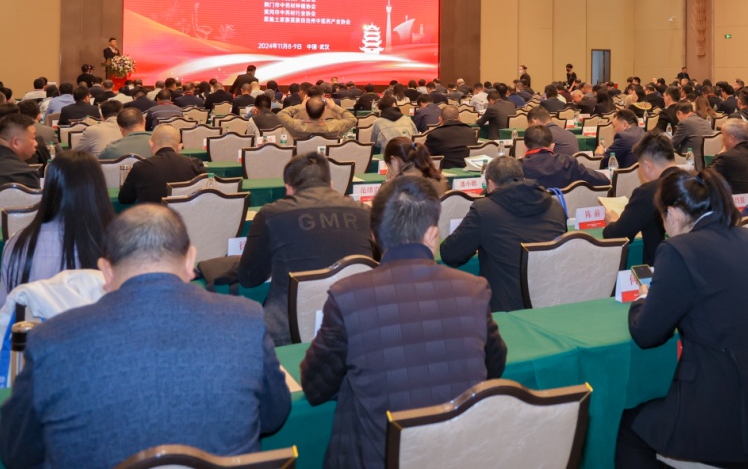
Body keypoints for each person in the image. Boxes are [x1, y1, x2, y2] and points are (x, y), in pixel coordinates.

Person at [0, 204, 290, 468]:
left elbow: (17, 451)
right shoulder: (246, 319)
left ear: (105, 271)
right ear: (190, 260)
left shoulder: (52, 339)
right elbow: (273, 415)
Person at [302, 175, 507, 469]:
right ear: (433, 235)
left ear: (373, 236)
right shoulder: (473, 289)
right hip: (457, 456)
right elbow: (493, 366)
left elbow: (315, 387)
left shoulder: (348, 295)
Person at [616, 168, 748, 469]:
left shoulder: (678, 250)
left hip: (729, 420)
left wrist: (641, 300)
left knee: (625, 426)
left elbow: (646, 333)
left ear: (673, 213)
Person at [238, 154, 374, 344]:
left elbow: (248, 278)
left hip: (286, 331)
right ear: (331, 185)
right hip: (355, 322)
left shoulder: (272, 214)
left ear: (288, 189)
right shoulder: (365, 213)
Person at [440, 155, 567, 311]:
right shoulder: (555, 206)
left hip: (504, 309)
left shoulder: (484, 210)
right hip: (551, 303)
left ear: (490, 184)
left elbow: (450, 254)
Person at [0, 150, 115, 308]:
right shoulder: (120, 245)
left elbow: (5, 309)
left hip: (35, 324)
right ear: (99, 190)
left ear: (49, 189)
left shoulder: (17, 244)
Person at [604, 132, 675, 265]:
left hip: (660, 267)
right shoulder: (696, 181)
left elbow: (617, 236)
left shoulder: (648, 192)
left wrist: (612, 222)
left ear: (647, 166)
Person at [118, 124, 205, 205]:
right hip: (184, 216)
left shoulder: (140, 167)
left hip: (152, 216)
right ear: (180, 147)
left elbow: (125, 199)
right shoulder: (195, 165)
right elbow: (204, 196)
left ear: (151, 144)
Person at [519, 124, 611, 191]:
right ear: (552, 146)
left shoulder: (517, 168)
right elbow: (604, 180)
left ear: (525, 147)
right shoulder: (568, 163)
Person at [708, 121, 748, 197]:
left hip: (736, 202)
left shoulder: (727, 157)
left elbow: (707, 177)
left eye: (722, 135)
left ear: (731, 138)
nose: (721, 139)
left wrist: (719, 154)